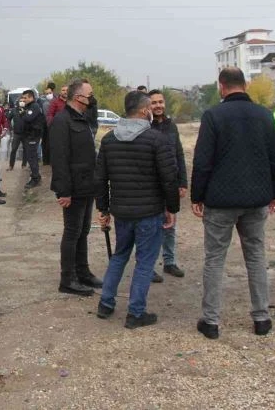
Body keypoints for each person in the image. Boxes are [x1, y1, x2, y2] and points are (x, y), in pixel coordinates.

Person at [191, 68, 275, 339]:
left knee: (215, 258)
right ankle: (261, 318)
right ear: (246, 85)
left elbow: (203, 160)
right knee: (255, 256)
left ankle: (211, 321)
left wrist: (197, 196)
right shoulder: (265, 115)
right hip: (256, 198)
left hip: (220, 201)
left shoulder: (213, 115)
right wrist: (274, 192)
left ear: (221, 86)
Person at [95, 91, 179, 329]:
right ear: (144, 111)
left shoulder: (109, 140)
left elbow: (100, 178)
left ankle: (106, 303)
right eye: (150, 107)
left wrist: (103, 208)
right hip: (149, 212)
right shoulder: (156, 140)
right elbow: (169, 178)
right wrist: (172, 207)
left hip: (122, 211)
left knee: (119, 255)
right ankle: (136, 312)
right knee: (144, 262)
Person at [50, 78, 101, 296]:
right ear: (79, 97)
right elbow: (59, 159)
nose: (92, 99)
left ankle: (83, 272)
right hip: (73, 187)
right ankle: (68, 279)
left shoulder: (83, 118)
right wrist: (64, 191)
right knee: (72, 232)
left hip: (87, 185)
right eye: (90, 95)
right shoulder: (62, 121)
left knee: (83, 231)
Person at [148, 89, 188, 282]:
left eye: (160, 102)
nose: (158, 106)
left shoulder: (171, 126)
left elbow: (179, 154)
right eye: (154, 102)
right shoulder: (145, 127)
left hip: (171, 182)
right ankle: (149, 266)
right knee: (152, 227)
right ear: (148, 106)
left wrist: (183, 182)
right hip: (151, 185)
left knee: (170, 225)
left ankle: (169, 262)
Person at [20, 89, 46, 188]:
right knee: (30, 157)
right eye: (22, 98)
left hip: (33, 135)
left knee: (32, 157)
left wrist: (22, 113)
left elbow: (28, 118)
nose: (23, 100)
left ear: (31, 97)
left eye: (25, 98)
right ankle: (35, 176)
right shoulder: (28, 106)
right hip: (28, 135)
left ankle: (35, 178)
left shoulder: (34, 106)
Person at [7, 98, 28, 171]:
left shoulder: (28, 110)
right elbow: (8, 119)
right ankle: (11, 166)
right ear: (18, 102)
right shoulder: (14, 110)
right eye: (20, 101)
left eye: (23, 101)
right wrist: (10, 128)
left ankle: (24, 165)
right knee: (13, 149)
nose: (22, 102)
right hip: (16, 133)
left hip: (26, 133)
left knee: (26, 149)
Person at [39, 82, 55, 165]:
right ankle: (45, 160)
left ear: (53, 92)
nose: (48, 95)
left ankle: (52, 160)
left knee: (52, 142)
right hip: (44, 124)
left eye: (50, 93)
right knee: (45, 143)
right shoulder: (41, 101)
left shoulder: (56, 100)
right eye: (47, 94)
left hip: (54, 124)